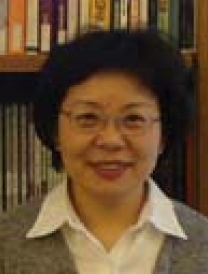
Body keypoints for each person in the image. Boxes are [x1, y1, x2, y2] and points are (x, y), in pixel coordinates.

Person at [1, 28, 208, 274]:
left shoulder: (202, 243)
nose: (110, 140)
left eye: (133, 119)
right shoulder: (6, 243)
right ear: (55, 131)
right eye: (88, 117)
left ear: (163, 134)